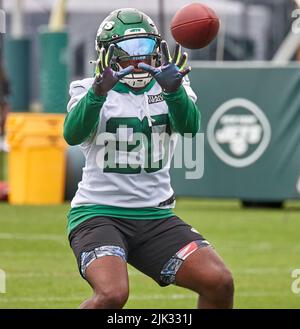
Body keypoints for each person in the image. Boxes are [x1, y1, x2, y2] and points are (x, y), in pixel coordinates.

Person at [64, 8, 234, 309]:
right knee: (112, 295)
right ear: (108, 53)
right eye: (128, 50)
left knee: (219, 282)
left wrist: (174, 92)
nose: (139, 58)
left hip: (156, 217)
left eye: (146, 47)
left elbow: (190, 127)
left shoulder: (171, 84)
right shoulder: (87, 89)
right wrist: (97, 95)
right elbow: (72, 134)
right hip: (99, 214)